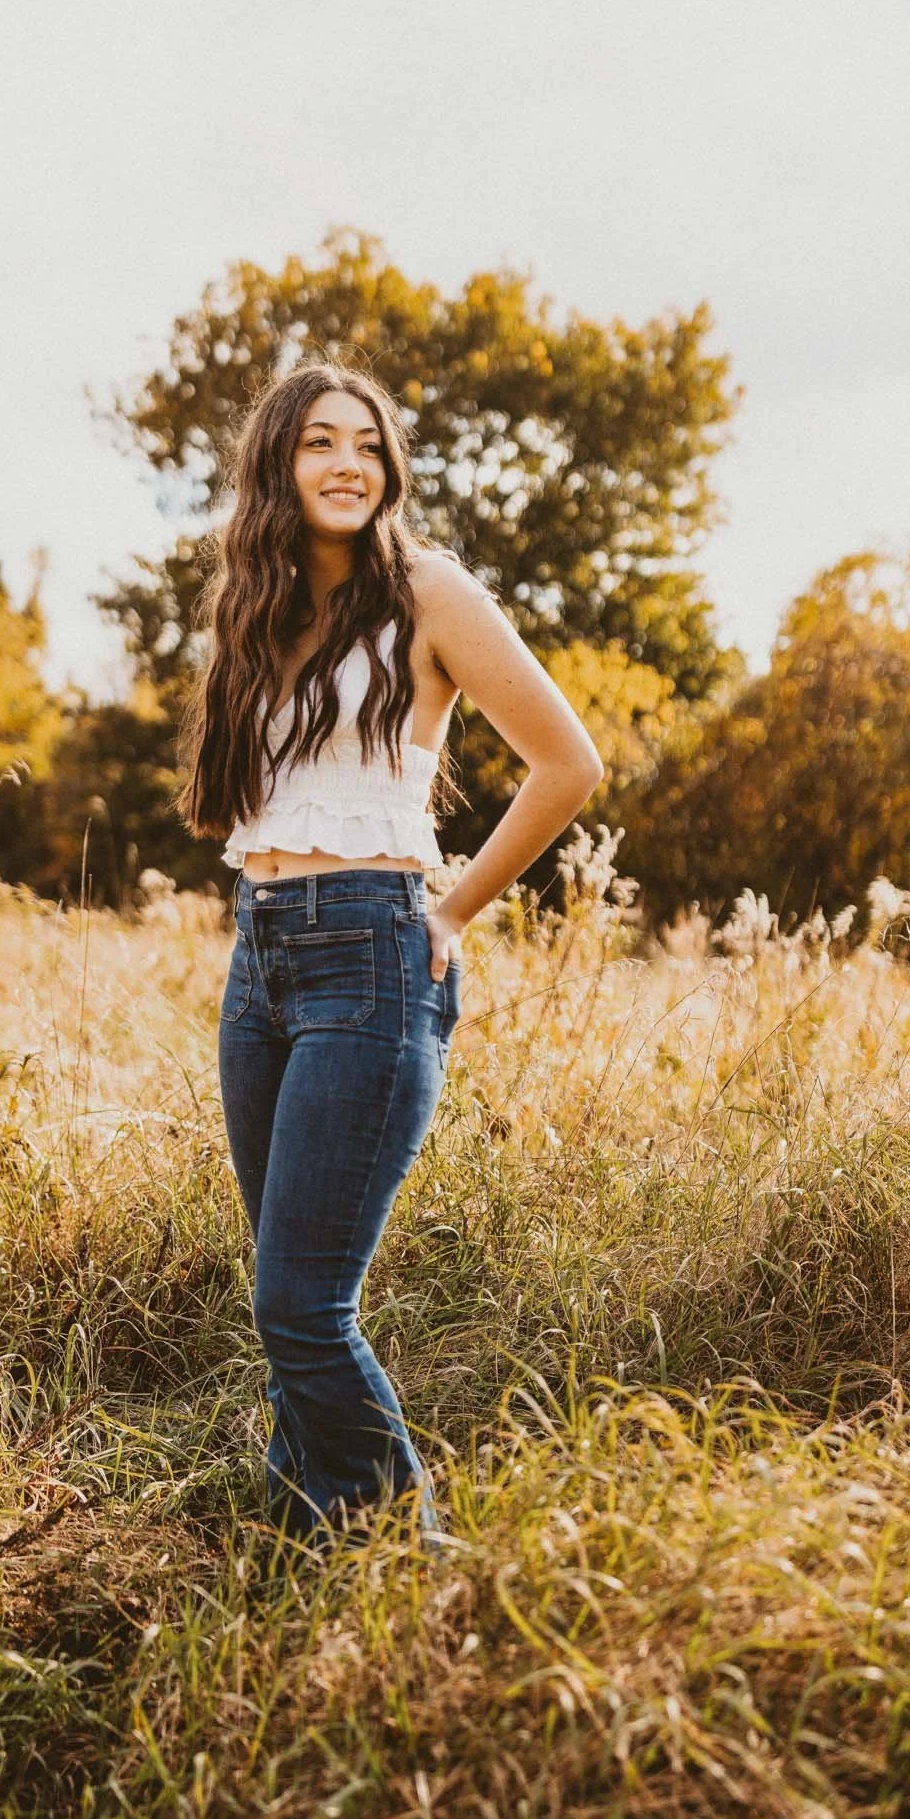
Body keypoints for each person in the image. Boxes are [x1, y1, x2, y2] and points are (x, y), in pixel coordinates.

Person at [177, 359, 604, 1552]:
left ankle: (407, 1561)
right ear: (278, 463)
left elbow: (566, 764)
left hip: (372, 950)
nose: (347, 463)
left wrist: (455, 907)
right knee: (282, 1307)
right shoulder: (254, 607)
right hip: (259, 956)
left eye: (366, 443)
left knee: (300, 1304)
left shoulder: (428, 590)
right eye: (319, 442)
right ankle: (301, 1551)